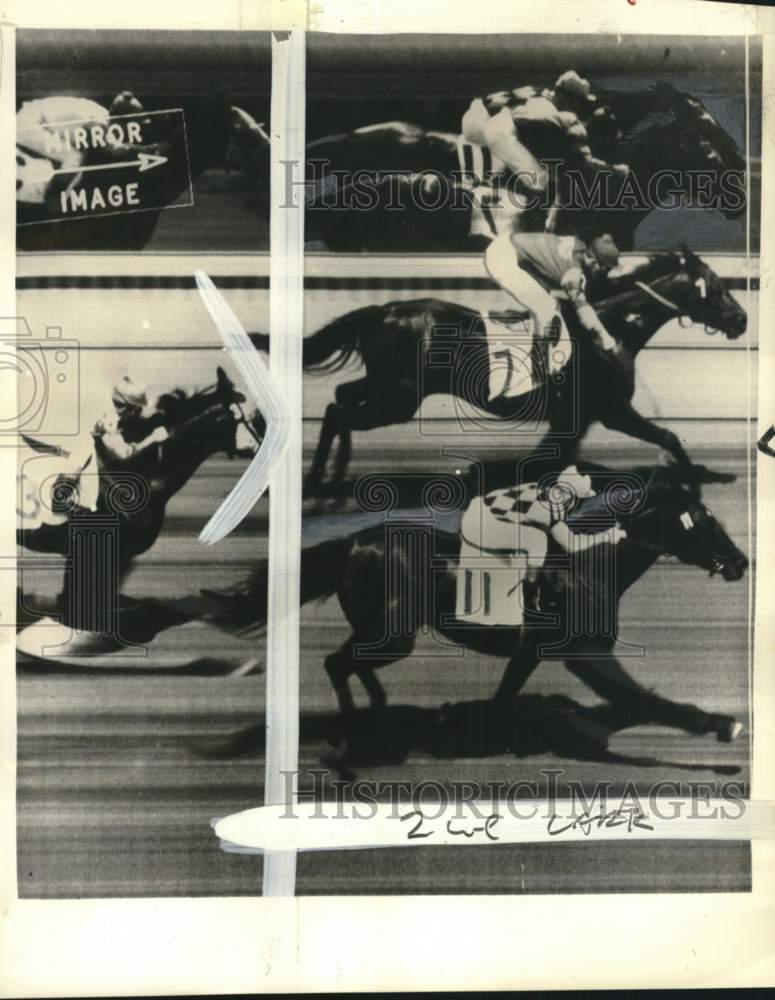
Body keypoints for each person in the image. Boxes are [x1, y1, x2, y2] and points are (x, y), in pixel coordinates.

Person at [461, 70, 628, 194]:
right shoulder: (551, 110)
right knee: (540, 182)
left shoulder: (539, 92)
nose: (578, 108)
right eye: (577, 102)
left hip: (477, 117)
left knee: (534, 170)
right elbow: (517, 121)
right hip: (492, 127)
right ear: (564, 96)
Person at [484, 228, 621, 362]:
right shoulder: (571, 273)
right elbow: (584, 314)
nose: (606, 274)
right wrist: (606, 337)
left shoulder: (580, 245)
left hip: (507, 246)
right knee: (546, 307)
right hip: (501, 258)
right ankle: (537, 363)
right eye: (606, 269)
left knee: (549, 303)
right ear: (593, 261)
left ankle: (528, 339)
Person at [16, 91, 145, 205]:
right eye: (134, 122)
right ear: (122, 120)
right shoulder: (97, 123)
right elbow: (103, 153)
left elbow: (110, 147)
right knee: (74, 158)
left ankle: (44, 194)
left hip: (32, 118)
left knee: (75, 160)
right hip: (28, 123)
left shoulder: (103, 115)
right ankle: (45, 201)